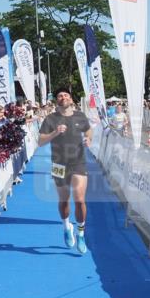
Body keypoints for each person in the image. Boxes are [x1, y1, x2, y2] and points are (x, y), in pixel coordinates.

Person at [39, 87, 93, 254]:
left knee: (79, 200)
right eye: (59, 95)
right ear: (57, 100)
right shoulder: (50, 119)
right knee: (64, 200)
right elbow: (40, 142)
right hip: (59, 164)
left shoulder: (80, 116)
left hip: (78, 162)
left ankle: (81, 233)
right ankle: (66, 227)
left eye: (65, 95)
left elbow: (89, 131)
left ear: (71, 99)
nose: (62, 97)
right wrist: (55, 132)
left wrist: (88, 139)